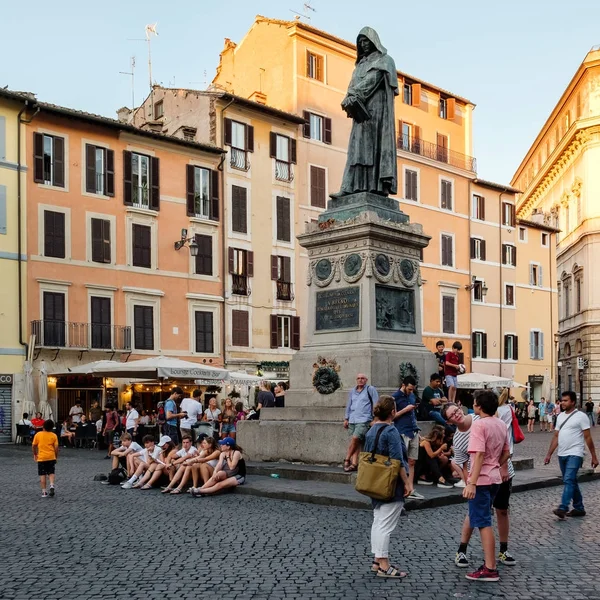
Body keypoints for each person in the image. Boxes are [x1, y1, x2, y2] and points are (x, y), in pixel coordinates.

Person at [330, 27, 398, 199]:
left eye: (366, 41)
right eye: (360, 42)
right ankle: (350, 187)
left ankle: (374, 187)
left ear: (374, 41)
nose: (363, 44)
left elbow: (373, 80)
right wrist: (348, 98)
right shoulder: (359, 66)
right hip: (361, 113)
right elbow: (352, 85)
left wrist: (354, 95)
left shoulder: (385, 60)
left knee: (373, 149)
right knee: (356, 149)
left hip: (377, 113)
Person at [459, 390, 510, 582]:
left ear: (478, 406)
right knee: (483, 519)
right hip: (494, 478)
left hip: (481, 480)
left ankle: (490, 568)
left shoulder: (479, 425)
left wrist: (471, 482)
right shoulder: (501, 424)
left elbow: (478, 455)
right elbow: (507, 453)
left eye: (474, 402)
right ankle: (490, 565)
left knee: (483, 523)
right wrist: (495, 464)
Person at [364, 395, 412, 579]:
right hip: (390, 483)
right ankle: (384, 565)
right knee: (385, 526)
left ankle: (377, 560)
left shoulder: (371, 430)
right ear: (393, 412)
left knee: (378, 521)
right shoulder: (391, 432)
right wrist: (407, 483)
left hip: (374, 480)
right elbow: (397, 461)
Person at [544, 390, 599, 519]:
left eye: (565, 400)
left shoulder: (581, 416)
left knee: (568, 479)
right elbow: (556, 436)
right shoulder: (560, 416)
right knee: (571, 481)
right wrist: (549, 454)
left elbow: (588, 438)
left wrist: (594, 456)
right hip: (562, 454)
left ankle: (563, 507)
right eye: (562, 400)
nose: (562, 403)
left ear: (573, 402)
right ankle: (579, 508)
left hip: (575, 453)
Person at [493, 389, 517, 566]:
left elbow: (504, 444)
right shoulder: (478, 422)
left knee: (501, 508)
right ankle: (462, 548)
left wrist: (502, 466)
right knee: (477, 511)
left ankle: (503, 549)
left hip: (501, 468)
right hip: (485, 472)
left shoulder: (505, 413)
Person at [392, 376, 422, 499]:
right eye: (409, 389)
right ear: (403, 385)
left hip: (413, 430)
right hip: (402, 431)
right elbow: (392, 416)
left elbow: (413, 414)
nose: (411, 392)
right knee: (402, 461)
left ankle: (411, 488)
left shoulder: (412, 396)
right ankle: (402, 487)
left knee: (412, 461)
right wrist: (405, 409)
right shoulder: (395, 397)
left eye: (412, 390)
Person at [343, 373, 378, 472]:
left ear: (366, 380)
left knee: (355, 438)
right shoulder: (352, 391)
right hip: (353, 419)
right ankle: (354, 464)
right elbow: (349, 405)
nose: (360, 380)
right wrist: (346, 418)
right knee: (357, 442)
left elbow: (376, 404)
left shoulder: (370, 389)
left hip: (364, 419)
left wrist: (375, 419)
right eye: (358, 378)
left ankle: (347, 459)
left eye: (362, 378)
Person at [32, 419, 59, 498]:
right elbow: (56, 447)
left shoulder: (38, 434)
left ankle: (44, 492)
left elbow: (33, 446)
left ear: (43, 426)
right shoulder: (54, 435)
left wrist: (35, 454)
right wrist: (56, 456)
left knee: (42, 474)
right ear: (51, 428)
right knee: (51, 472)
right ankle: (51, 485)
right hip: (51, 456)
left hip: (41, 458)